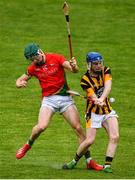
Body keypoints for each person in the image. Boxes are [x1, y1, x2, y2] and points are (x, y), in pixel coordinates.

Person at [15, 43, 102, 171]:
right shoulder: (34, 67)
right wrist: (20, 83)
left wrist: (74, 66)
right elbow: (19, 80)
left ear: (40, 51)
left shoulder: (56, 58)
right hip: (48, 100)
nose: (34, 60)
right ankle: (28, 145)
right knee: (42, 126)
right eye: (31, 59)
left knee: (78, 128)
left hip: (65, 99)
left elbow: (74, 70)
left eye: (35, 57)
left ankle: (89, 161)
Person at [62, 52, 119, 173]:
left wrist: (102, 99)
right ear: (90, 65)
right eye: (96, 64)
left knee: (115, 136)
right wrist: (96, 100)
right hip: (93, 113)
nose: (99, 65)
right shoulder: (85, 80)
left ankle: (107, 166)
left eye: (100, 63)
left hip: (107, 110)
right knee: (89, 140)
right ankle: (74, 161)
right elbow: (92, 95)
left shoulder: (106, 70)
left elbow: (108, 86)